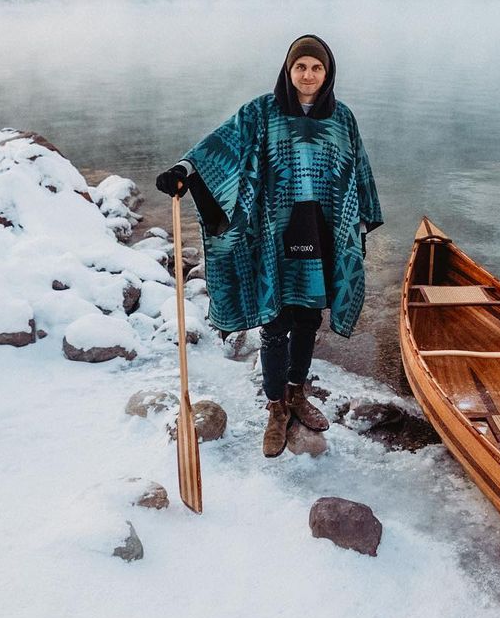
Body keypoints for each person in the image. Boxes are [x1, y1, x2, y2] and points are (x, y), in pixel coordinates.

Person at [156, 35, 382, 457]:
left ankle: (297, 392)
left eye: (317, 68)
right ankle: (276, 407)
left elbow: (357, 173)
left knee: (309, 316)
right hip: (273, 233)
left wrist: (357, 223)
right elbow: (221, 145)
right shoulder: (263, 111)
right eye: (301, 67)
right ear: (288, 70)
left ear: (327, 72)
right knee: (275, 319)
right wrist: (185, 169)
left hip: (320, 231)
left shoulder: (342, 118)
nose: (309, 75)